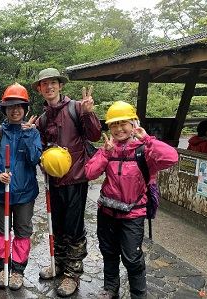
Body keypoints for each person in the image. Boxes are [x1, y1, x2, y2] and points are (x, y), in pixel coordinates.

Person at [85, 101, 178, 299]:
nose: (118, 129)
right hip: (107, 212)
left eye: (123, 123)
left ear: (134, 123)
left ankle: (138, 295)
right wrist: (105, 153)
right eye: (113, 124)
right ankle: (111, 289)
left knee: (132, 258)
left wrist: (147, 139)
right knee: (108, 252)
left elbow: (171, 157)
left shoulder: (145, 151)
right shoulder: (109, 149)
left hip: (133, 214)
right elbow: (90, 173)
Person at [32, 67, 102, 297]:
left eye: (53, 83)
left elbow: (94, 135)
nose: (49, 87)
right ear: (40, 89)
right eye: (45, 84)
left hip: (75, 179)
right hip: (54, 180)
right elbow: (41, 148)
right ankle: (59, 263)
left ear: (60, 85)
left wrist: (88, 113)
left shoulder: (77, 108)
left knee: (73, 227)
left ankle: (73, 273)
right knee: (57, 224)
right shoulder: (42, 119)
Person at [0, 83, 42, 290]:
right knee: (2, 231)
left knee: (23, 231)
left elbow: (35, 159)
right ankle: (3, 267)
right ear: (5, 110)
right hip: (0, 192)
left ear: (25, 109)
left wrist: (27, 135)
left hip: (25, 193)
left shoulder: (33, 133)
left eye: (19, 106)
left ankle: (17, 271)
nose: (15, 110)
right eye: (10, 106)